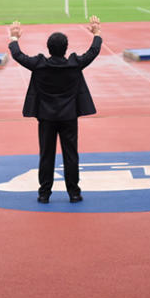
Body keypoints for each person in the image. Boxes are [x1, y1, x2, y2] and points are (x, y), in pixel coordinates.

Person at [7, 16, 102, 203]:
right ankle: (74, 193)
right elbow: (93, 52)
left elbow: (18, 55)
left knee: (46, 155)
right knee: (71, 155)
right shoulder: (74, 64)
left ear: (48, 48)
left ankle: (44, 194)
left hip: (46, 118)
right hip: (69, 117)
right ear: (66, 48)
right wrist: (96, 33)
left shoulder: (40, 65)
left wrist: (14, 37)